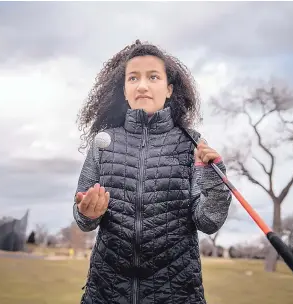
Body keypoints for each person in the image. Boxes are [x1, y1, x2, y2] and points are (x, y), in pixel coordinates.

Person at [73, 40, 232, 304]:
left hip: (176, 293)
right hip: (106, 293)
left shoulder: (191, 143)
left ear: (169, 89)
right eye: (133, 78)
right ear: (124, 90)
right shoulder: (104, 142)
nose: (142, 85)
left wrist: (215, 181)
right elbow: (83, 220)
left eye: (153, 77)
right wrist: (86, 213)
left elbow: (209, 221)